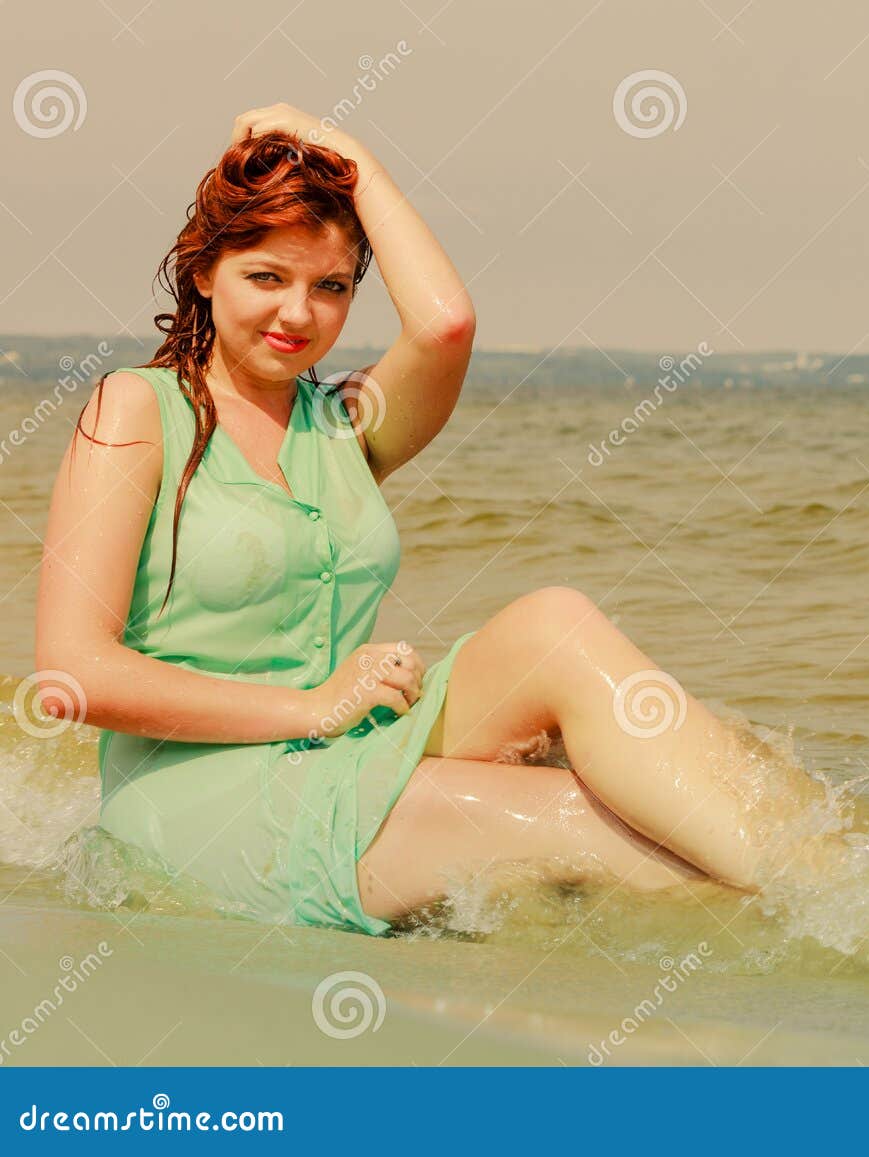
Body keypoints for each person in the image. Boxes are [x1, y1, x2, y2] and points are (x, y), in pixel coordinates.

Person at [33, 104, 828, 936]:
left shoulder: (343, 422)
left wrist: (348, 155)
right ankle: (818, 923)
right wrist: (313, 709)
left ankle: (814, 871)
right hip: (203, 803)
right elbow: (71, 673)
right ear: (204, 273)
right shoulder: (137, 407)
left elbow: (445, 323)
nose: (298, 315)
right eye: (266, 277)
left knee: (556, 625)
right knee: (586, 820)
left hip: (340, 748)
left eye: (331, 287)